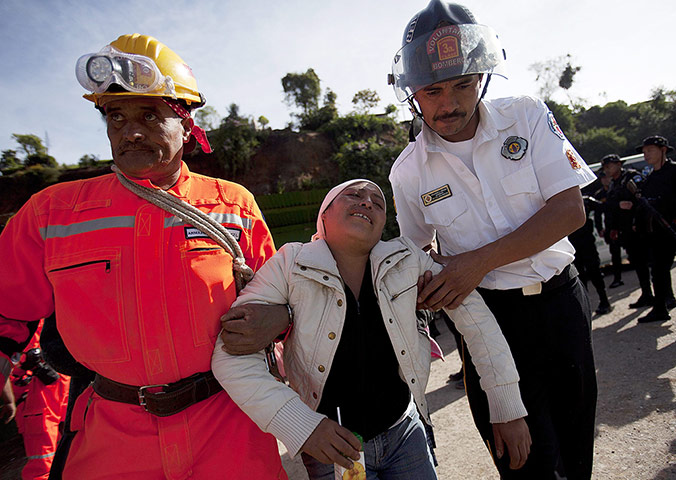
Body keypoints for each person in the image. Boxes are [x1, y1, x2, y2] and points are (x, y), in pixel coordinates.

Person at [0, 34, 288, 479]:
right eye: (115, 116)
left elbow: (283, 294)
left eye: (150, 115)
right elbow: (6, 309)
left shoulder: (234, 205)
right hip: (112, 438)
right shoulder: (50, 213)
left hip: (230, 426)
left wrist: (279, 318)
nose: (129, 131)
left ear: (187, 125)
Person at [386, 2, 598, 478]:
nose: (449, 103)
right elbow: (418, 257)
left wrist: (475, 262)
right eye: (433, 89)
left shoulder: (526, 116)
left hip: (562, 303)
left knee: (575, 450)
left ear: (482, 77)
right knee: (522, 464)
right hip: (491, 324)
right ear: (412, 94)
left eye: (463, 83)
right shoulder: (407, 173)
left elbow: (569, 211)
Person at [212, 179, 531, 480]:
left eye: (378, 202)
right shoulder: (289, 264)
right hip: (334, 450)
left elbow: (476, 319)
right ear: (324, 215)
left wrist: (506, 405)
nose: (367, 201)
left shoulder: (408, 259)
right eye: (353, 196)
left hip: (406, 432)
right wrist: (302, 426)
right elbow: (231, 357)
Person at [2, 320, 70, 480]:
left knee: (70, 452)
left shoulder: (39, 310)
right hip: (37, 396)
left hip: (58, 385)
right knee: (43, 465)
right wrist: (9, 400)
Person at [633, 135, 676, 323]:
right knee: (658, 270)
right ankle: (661, 307)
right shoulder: (650, 178)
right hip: (659, 233)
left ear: (663, 150)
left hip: (673, 227)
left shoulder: (673, 172)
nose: (646, 154)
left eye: (650, 150)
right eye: (644, 151)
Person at [602, 154, 653, 307]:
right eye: (605, 168)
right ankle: (647, 294)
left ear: (618, 164)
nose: (607, 170)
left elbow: (643, 199)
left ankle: (666, 297)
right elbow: (611, 206)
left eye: (609, 166)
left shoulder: (631, 177)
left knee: (655, 263)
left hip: (639, 227)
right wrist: (614, 228)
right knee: (638, 263)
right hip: (626, 230)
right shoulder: (613, 184)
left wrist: (637, 220)